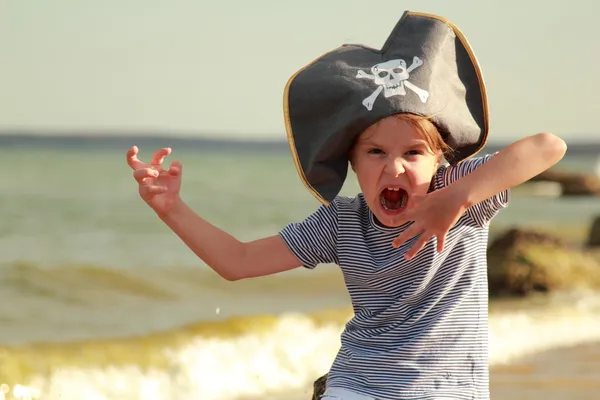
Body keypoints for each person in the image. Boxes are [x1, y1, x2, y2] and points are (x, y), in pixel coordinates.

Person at [125, 11, 567, 400]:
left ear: (440, 158)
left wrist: (453, 199)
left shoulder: (459, 193)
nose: (394, 167)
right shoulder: (342, 222)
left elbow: (548, 146)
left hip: (448, 388)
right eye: (375, 152)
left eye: (413, 153)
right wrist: (170, 207)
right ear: (352, 163)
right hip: (357, 384)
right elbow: (237, 261)